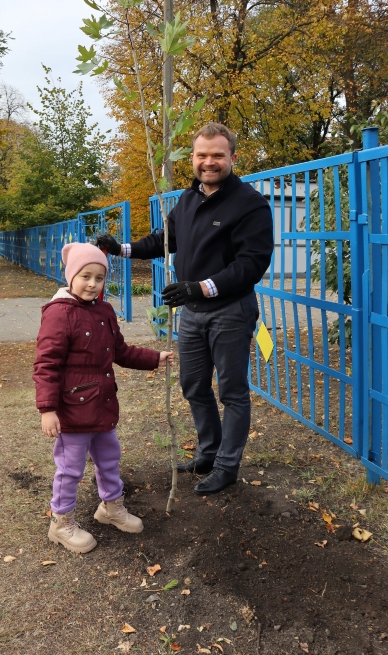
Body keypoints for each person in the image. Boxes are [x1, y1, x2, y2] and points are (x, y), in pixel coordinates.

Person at [96, 122, 274, 495]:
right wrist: (120, 248)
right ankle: (208, 453)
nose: (209, 162)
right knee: (193, 386)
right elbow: (165, 240)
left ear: (232, 158)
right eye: (202, 155)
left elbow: (252, 263)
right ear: (192, 158)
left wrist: (202, 287)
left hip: (230, 310)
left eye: (218, 155)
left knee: (232, 392)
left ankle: (227, 466)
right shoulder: (188, 200)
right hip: (192, 313)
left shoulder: (250, 204)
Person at [33, 242, 173, 554]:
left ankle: (110, 508)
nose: (93, 284)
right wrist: (48, 409)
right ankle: (61, 522)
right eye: (86, 276)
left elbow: (120, 351)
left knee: (109, 458)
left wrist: (154, 357)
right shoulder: (59, 314)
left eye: (100, 278)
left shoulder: (104, 310)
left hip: (103, 405)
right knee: (70, 468)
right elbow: (46, 365)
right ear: (71, 276)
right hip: (72, 411)